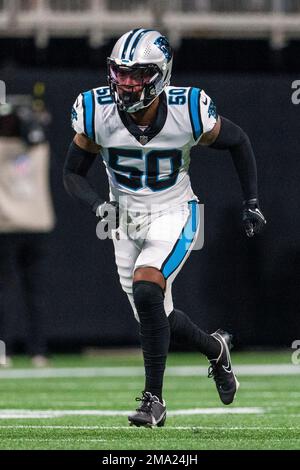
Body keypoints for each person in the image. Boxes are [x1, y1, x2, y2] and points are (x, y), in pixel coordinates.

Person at [64, 29, 266, 427]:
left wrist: (252, 203)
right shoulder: (94, 110)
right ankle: (215, 349)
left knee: (146, 286)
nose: (126, 83)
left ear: (159, 75)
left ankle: (153, 400)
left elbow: (239, 141)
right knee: (154, 313)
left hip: (175, 213)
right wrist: (98, 205)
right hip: (123, 221)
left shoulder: (187, 108)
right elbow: (72, 173)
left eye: (137, 74)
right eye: (120, 74)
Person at [0, 102, 55, 366]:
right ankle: (39, 352)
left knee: (8, 291)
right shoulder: (39, 150)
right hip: (35, 225)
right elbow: (40, 129)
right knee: (34, 293)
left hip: (9, 227)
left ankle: (7, 350)